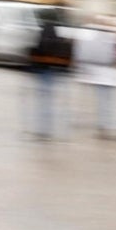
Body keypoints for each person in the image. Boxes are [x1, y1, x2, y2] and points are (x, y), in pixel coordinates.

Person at [27, 9, 72, 140]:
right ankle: (48, 128)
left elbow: (38, 49)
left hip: (42, 70)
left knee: (43, 100)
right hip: (53, 69)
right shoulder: (56, 33)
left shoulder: (43, 32)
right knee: (49, 99)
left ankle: (43, 129)